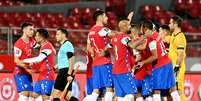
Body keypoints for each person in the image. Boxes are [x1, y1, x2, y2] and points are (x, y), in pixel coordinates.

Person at [137, 20, 180, 101]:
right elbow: (143, 46)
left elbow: (155, 57)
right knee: (173, 89)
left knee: (156, 91)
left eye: (141, 28)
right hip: (168, 63)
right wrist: (133, 46)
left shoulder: (151, 40)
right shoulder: (156, 34)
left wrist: (143, 62)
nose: (140, 30)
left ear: (145, 29)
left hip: (160, 66)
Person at [83, 10, 114, 101]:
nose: (107, 18)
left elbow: (88, 47)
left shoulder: (91, 31)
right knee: (109, 89)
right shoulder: (102, 29)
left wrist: (93, 54)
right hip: (105, 62)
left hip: (95, 64)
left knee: (95, 91)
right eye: (105, 16)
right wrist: (107, 47)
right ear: (99, 18)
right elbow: (116, 36)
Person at [22, 28, 56, 101]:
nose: (35, 37)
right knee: (35, 95)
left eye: (37, 36)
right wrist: (33, 63)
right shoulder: (43, 46)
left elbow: (39, 59)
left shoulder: (48, 46)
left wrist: (24, 60)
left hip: (48, 75)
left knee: (45, 98)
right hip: (42, 75)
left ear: (42, 37)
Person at [111, 19, 138, 101]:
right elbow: (133, 45)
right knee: (131, 94)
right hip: (124, 69)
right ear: (125, 27)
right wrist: (144, 37)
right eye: (129, 25)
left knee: (119, 96)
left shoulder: (114, 37)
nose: (130, 27)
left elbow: (108, 47)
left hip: (115, 69)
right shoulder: (125, 37)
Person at [52, 28, 78, 101]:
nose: (56, 36)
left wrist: (69, 74)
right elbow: (64, 60)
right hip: (66, 70)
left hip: (65, 71)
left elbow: (71, 59)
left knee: (55, 94)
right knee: (67, 96)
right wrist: (55, 66)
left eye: (58, 34)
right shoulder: (64, 45)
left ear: (63, 35)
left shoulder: (67, 44)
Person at [129, 24, 153, 101]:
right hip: (148, 69)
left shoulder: (135, 43)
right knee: (147, 94)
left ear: (132, 33)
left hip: (139, 71)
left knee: (136, 92)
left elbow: (138, 57)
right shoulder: (144, 40)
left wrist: (132, 68)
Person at [14, 22, 36, 101]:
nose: (32, 31)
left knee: (30, 96)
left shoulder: (32, 41)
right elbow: (16, 60)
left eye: (33, 30)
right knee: (25, 94)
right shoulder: (18, 43)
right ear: (24, 30)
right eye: (30, 29)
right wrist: (27, 68)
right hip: (20, 72)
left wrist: (33, 61)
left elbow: (38, 49)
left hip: (28, 73)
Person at [169, 16, 187, 101]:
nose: (169, 25)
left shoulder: (180, 37)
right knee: (172, 91)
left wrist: (176, 68)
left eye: (170, 23)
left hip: (177, 68)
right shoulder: (173, 35)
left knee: (178, 90)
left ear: (175, 24)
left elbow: (181, 54)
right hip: (172, 67)